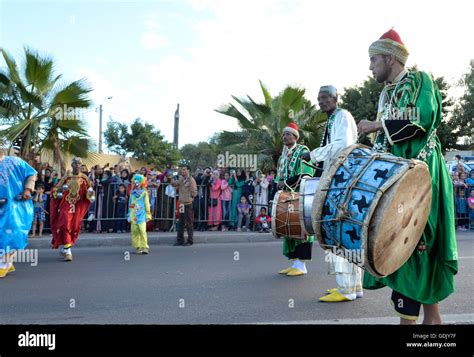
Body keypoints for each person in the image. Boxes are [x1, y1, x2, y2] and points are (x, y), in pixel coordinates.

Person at [357, 28, 458, 324]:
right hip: (398, 177)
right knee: (399, 242)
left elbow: (419, 119)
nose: (370, 66)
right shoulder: (386, 93)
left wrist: (377, 125)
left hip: (423, 174)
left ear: (391, 58)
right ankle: (429, 321)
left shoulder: (420, 80)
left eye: (374, 60)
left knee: (416, 239)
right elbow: (384, 143)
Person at [301, 85, 362, 302]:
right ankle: (353, 287)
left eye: (325, 97)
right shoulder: (334, 119)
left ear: (336, 98)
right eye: (319, 98)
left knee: (338, 231)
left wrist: (313, 155)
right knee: (346, 232)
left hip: (341, 180)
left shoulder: (342, 116)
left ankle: (346, 288)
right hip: (340, 179)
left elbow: (341, 145)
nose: (321, 102)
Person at [275, 122, 315, 277]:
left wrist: (284, 183)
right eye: (284, 134)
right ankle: (294, 263)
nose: (285, 137)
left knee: (302, 227)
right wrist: (279, 186)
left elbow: (305, 173)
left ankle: (302, 265)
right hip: (287, 196)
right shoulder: (283, 156)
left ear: (295, 136)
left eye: (288, 134)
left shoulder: (303, 151)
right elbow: (279, 176)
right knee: (289, 226)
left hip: (300, 194)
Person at [0, 149, 37, 278]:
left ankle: (3, 264)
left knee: (12, 234)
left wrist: (27, 190)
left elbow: (31, 174)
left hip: (16, 206)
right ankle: (7, 262)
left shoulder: (15, 162)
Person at [50, 158, 95, 262]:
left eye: (80, 163)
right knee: (65, 224)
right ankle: (68, 251)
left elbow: (89, 192)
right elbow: (55, 189)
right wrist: (61, 189)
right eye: (76, 163)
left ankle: (65, 245)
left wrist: (90, 195)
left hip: (78, 206)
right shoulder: (66, 177)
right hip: (66, 204)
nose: (78, 165)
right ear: (72, 165)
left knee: (74, 226)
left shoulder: (84, 178)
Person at [172, 162, 198, 246]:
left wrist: (190, 197)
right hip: (181, 204)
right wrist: (170, 177)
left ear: (188, 170)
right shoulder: (181, 179)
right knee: (181, 222)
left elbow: (194, 191)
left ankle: (190, 240)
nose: (182, 171)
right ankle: (180, 240)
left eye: (184, 169)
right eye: (181, 169)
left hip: (188, 204)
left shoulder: (191, 179)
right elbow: (173, 184)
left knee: (189, 222)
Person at [127, 174, 151, 254]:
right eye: (135, 182)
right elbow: (130, 204)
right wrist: (129, 215)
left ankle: (144, 247)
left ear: (142, 183)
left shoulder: (144, 193)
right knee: (135, 231)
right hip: (134, 215)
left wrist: (148, 215)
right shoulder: (132, 194)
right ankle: (138, 247)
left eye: (138, 182)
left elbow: (147, 204)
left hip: (142, 215)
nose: (136, 184)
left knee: (142, 230)